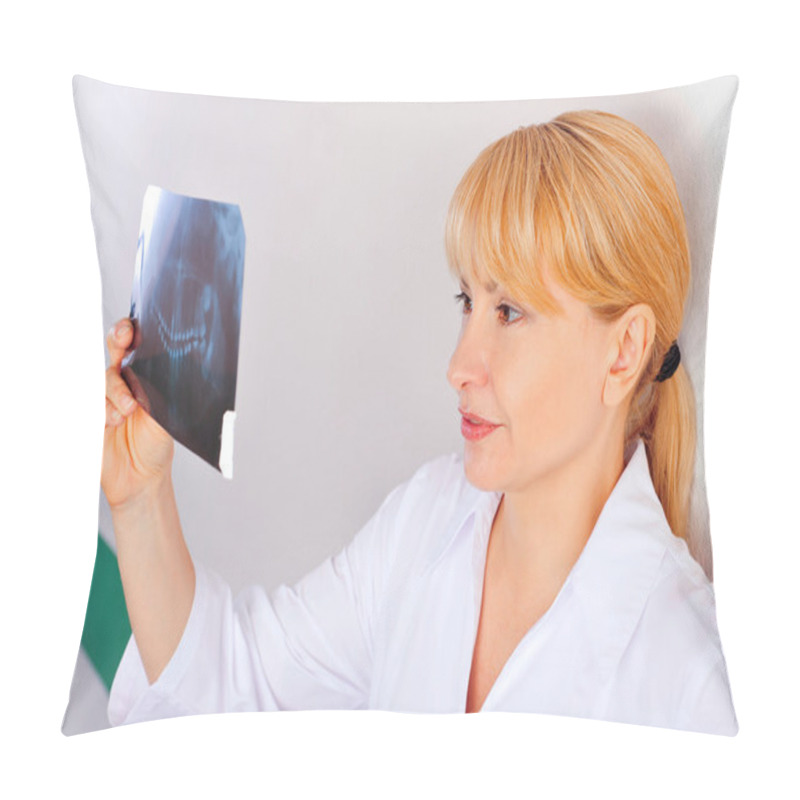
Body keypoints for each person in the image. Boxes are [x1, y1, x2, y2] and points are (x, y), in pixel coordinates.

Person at [103, 110, 737, 734]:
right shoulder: (426, 521)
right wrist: (138, 497)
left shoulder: (691, 685)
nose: (459, 364)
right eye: (469, 301)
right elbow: (238, 683)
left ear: (623, 352)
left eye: (510, 311)